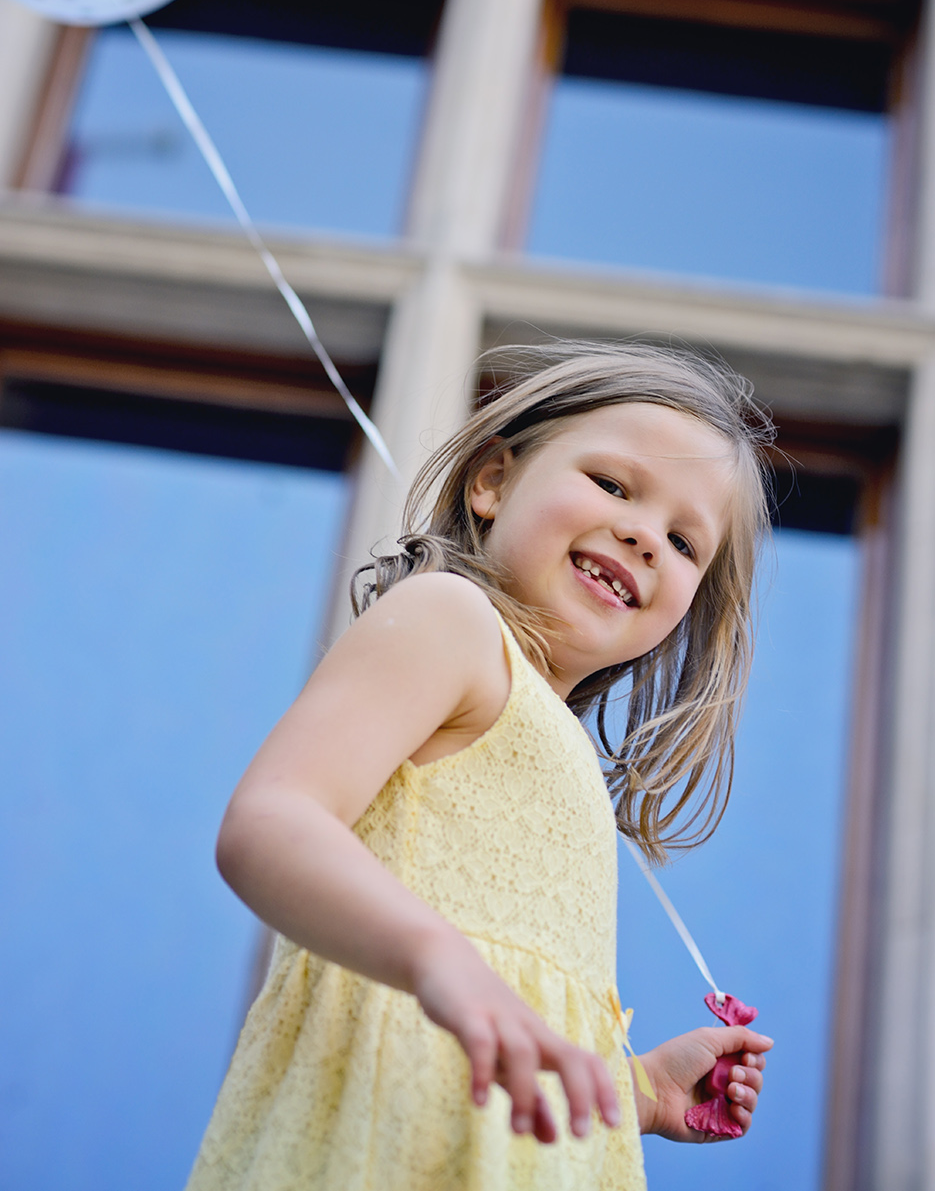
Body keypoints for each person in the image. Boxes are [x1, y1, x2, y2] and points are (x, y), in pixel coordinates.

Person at [186, 340, 775, 1191]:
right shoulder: (453, 620)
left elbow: (523, 1013)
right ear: (492, 480)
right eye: (612, 484)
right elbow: (271, 822)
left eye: (685, 541)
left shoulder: (553, 739)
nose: (644, 533)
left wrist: (636, 1090)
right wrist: (439, 960)